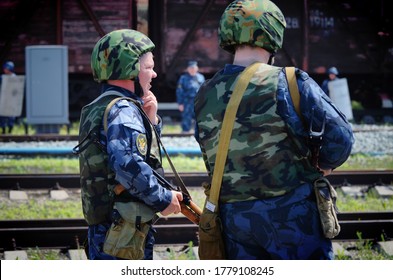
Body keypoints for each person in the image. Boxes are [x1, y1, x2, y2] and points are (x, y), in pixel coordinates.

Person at [194, 0, 354, 260]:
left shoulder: (205, 93)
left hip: (233, 219)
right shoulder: (289, 80)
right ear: (272, 32)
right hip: (292, 216)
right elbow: (341, 139)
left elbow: (207, 148)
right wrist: (325, 165)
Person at [75, 29, 183, 260]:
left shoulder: (101, 104)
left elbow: (138, 153)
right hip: (121, 230)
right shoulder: (123, 110)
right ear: (129, 69)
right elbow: (128, 162)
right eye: (148, 68)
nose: (153, 74)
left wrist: (151, 121)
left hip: (107, 225)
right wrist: (162, 198)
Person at [176, 60, 205, 133]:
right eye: (191, 68)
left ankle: (199, 133)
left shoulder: (201, 77)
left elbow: (204, 90)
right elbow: (179, 91)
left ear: (197, 69)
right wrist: (180, 103)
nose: (192, 70)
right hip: (187, 101)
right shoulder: (183, 78)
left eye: (194, 68)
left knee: (199, 117)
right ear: (188, 69)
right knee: (186, 117)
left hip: (198, 101)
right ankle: (185, 132)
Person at [0, 61, 17, 134]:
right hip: (4, 98)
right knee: (2, 115)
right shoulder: (2, 77)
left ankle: (10, 131)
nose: (5, 70)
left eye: (6, 68)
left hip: (12, 98)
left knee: (11, 115)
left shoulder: (14, 77)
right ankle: (3, 131)